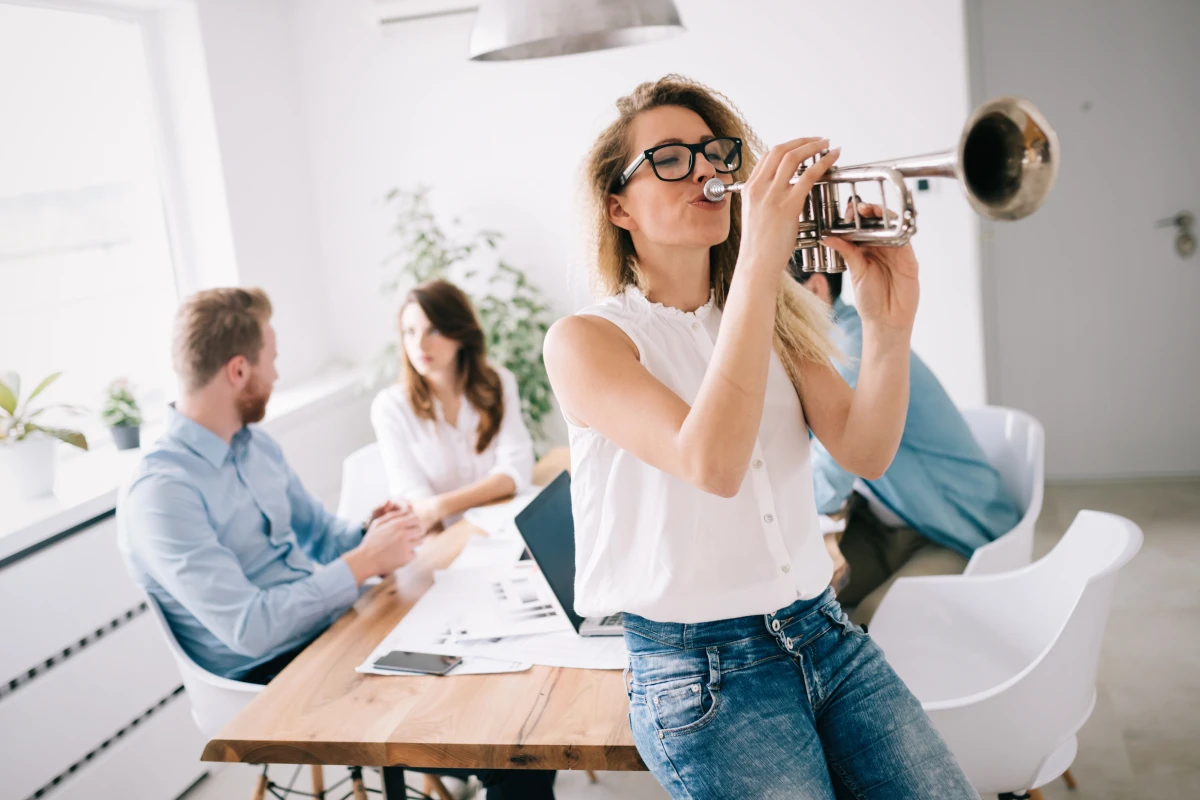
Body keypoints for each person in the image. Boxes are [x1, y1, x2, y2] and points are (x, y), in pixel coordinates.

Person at [543, 75, 978, 798]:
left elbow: (865, 450)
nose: (708, 172)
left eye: (715, 153)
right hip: (701, 673)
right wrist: (757, 265)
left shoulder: (770, 314)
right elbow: (710, 461)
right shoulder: (586, 342)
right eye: (672, 160)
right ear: (618, 206)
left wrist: (887, 323)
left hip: (822, 632)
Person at [119, 287, 554, 799]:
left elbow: (323, 535)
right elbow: (250, 629)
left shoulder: (253, 444)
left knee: (503, 683)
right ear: (238, 371)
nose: (277, 375)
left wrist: (369, 535)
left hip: (330, 629)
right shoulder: (161, 493)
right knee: (503, 740)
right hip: (271, 675)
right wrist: (358, 564)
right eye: (272, 361)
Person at [794, 266, 1021, 624]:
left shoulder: (852, 351)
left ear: (816, 288)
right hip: (893, 526)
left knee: (873, 622)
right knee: (803, 594)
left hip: (957, 534)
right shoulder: (833, 346)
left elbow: (827, 478)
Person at [371, 280, 534, 533]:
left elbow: (516, 471)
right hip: (444, 540)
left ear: (460, 334)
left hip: (505, 525)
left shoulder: (499, 383)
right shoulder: (390, 408)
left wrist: (438, 507)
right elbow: (417, 506)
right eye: (409, 332)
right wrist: (436, 511)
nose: (419, 345)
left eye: (433, 330)